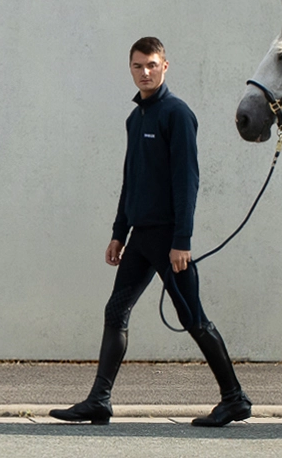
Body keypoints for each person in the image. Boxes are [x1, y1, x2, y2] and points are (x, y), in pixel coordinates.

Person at [50, 37, 251, 427]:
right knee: (115, 311)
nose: (145, 72)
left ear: (165, 66)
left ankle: (235, 399)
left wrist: (182, 241)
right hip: (139, 238)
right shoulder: (135, 118)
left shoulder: (176, 114)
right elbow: (131, 180)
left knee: (193, 317)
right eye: (138, 66)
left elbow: (187, 181)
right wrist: (118, 233)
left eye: (152, 65)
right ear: (131, 68)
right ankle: (99, 400)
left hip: (168, 240)